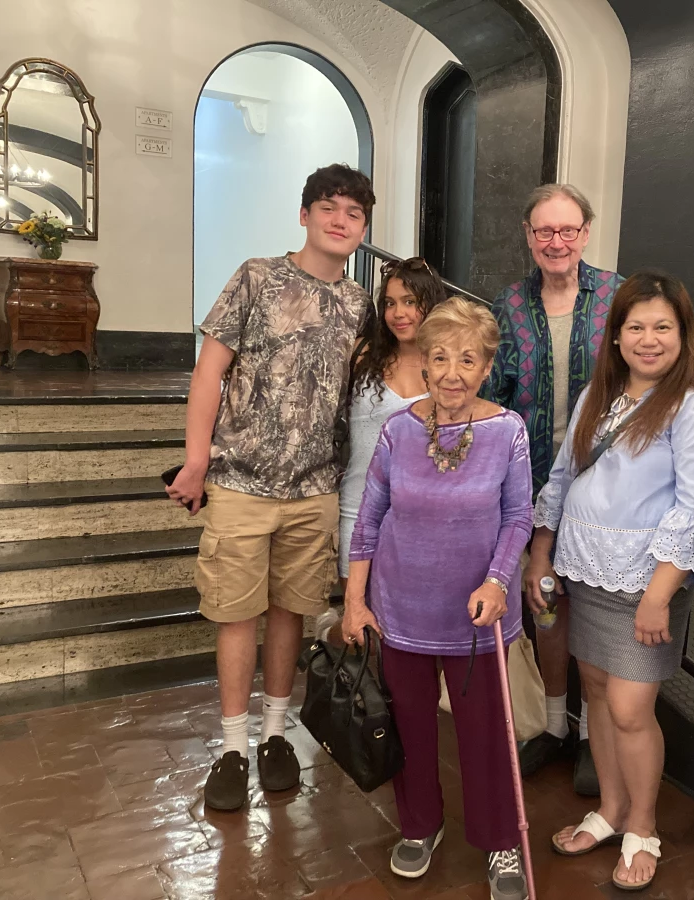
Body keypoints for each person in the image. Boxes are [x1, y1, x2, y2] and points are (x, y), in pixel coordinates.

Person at [165, 164, 374, 812]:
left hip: (316, 491)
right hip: (242, 483)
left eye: (354, 214)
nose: (340, 221)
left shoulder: (360, 304)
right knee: (236, 615)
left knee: (292, 613)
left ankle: (276, 736)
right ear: (306, 214)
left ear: (364, 229)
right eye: (329, 208)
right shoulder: (257, 277)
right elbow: (209, 374)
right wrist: (195, 459)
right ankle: (232, 746)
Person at [533, 270, 694, 892]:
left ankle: (643, 824)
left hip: (644, 582)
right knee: (595, 691)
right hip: (584, 570)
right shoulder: (602, 392)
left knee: (629, 708)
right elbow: (564, 476)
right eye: (636, 327)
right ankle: (612, 809)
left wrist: (658, 595)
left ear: (684, 335)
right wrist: (541, 552)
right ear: (616, 336)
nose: (649, 340)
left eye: (662, 328)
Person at [342, 297, 534, 900]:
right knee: (409, 727)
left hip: (479, 615)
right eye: (441, 357)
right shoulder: (398, 429)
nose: (453, 373)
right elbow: (369, 517)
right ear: (424, 362)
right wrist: (355, 599)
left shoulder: (507, 431)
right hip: (401, 610)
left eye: (468, 360)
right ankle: (421, 825)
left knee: (486, 736)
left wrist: (499, 581)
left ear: (486, 367)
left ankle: (502, 839)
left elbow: (518, 516)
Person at [484, 183, 625, 794]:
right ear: (529, 235)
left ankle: (595, 735)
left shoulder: (620, 297)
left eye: (567, 230)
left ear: (586, 232)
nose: (556, 242)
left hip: (609, 486)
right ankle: (554, 727)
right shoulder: (510, 304)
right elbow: (496, 391)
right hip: (534, 482)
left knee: (593, 607)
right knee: (545, 604)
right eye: (544, 231)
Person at [335, 257, 446, 598]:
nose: (399, 313)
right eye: (390, 303)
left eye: (411, 302)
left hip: (421, 517)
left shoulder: (449, 365)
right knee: (361, 619)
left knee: (408, 622)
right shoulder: (362, 356)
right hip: (357, 508)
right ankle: (331, 631)